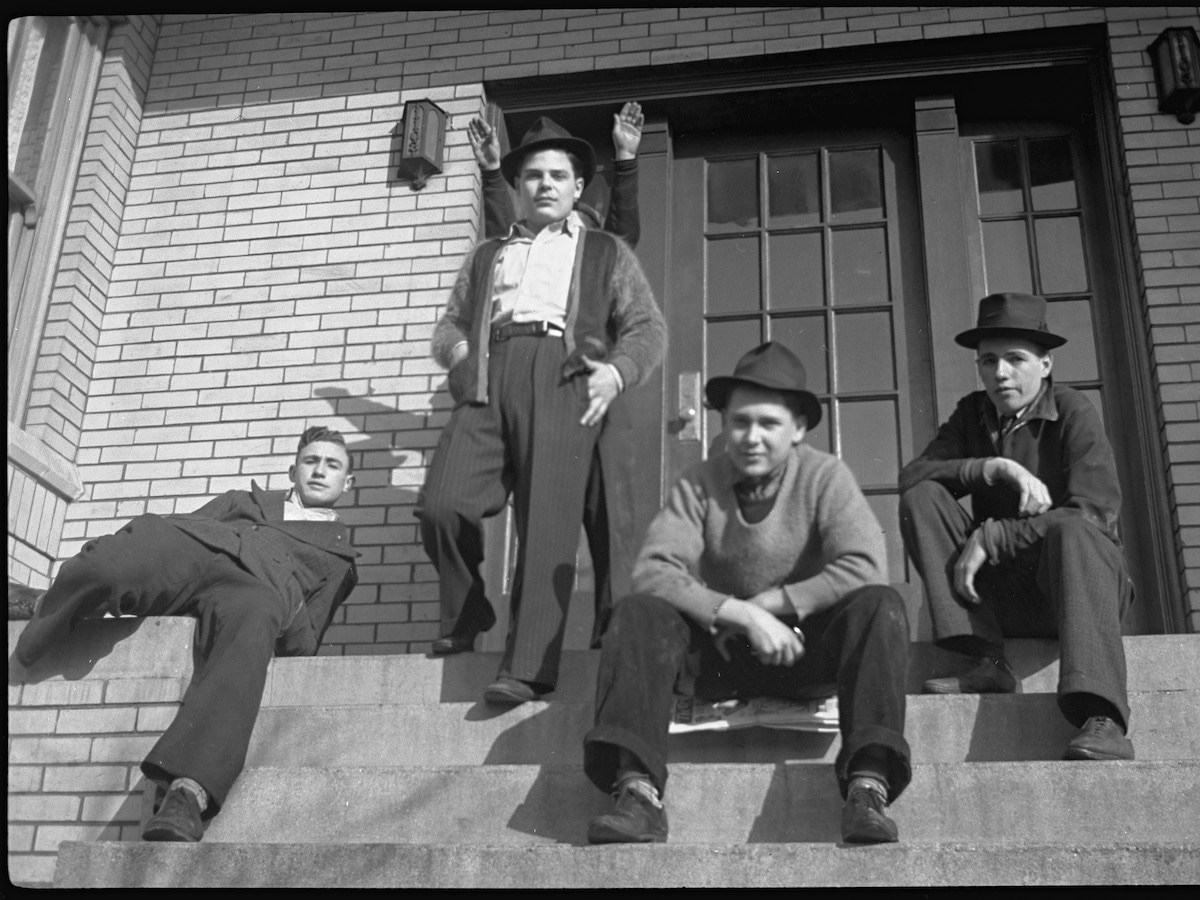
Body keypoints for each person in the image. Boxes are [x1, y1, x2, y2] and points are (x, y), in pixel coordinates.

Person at [583, 342, 911, 845]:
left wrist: (773, 605)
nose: (751, 437)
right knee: (638, 611)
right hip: (721, 655)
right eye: (739, 422)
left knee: (879, 605)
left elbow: (867, 565)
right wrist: (740, 614)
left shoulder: (825, 477)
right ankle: (638, 793)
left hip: (801, 651)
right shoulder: (699, 483)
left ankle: (868, 787)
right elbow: (652, 570)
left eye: (768, 424)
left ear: (798, 428)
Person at [417, 116, 667, 705]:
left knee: (547, 522)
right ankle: (470, 607)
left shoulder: (603, 249)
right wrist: (459, 358)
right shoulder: (489, 255)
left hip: (563, 374)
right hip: (489, 376)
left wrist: (616, 370)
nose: (546, 185)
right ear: (518, 187)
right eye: (533, 176)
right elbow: (451, 322)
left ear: (579, 187)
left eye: (559, 175)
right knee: (440, 505)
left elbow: (645, 328)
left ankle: (527, 668)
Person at [11, 426, 360, 841]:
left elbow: (304, 643)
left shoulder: (338, 559)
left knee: (257, 617)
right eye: (311, 461)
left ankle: (187, 793)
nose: (319, 471)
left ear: (347, 482)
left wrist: (280, 581)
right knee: (133, 549)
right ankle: (46, 607)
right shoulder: (243, 501)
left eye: (332, 465)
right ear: (292, 469)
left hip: (252, 591)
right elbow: (189, 531)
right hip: (202, 549)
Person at [898, 291, 1135, 761]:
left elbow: (1095, 512)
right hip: (1005, 599)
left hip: (1077, 591)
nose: (1000, 373)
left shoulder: (1073, 411)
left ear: (1045, 365)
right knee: (921, 498)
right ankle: (986, 659)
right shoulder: (973, 413)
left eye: (1015, 359)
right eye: (988, 361)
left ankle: (1102, 718)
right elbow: (912, 476)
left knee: (1074, 531)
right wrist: (991, 468)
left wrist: (994, 535)